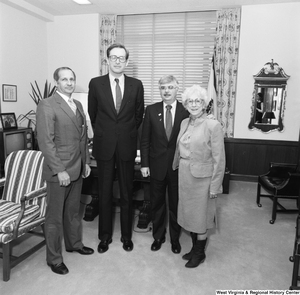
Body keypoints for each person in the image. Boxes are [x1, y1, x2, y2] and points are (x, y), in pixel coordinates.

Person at [36, 67, 94, 276]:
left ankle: (74, 244)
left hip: (77, 168)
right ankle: (54, 259)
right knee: (54, 218)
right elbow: (46, 142)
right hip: (59, 171)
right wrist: (59, 170)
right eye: (64, 79)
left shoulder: (77, 104)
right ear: (56, 82)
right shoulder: (47, 104)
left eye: (72, 79)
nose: (69, 83)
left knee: (72, 213)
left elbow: (83, 137)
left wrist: (86, 161)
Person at [88, 43, 144, 253]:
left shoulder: (136, 85)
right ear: (107, 60)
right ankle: (104, 237)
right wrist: (106, 132)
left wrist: (125, 133)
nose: (118, 61)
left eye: (122, 58)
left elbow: (139, 116)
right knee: (104, 193)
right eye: (114, 57)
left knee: (127, 192)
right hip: (104, 146)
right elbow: (93, 114)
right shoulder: (96, 84)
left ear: (127, 61)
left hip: (127, 146)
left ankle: (126, 237)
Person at [172, 85, 225, 268]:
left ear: (204, 104)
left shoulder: (213, 125)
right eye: (190, 101)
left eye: (198, 101)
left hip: (203, 179)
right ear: (185, 104)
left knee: (201, 217)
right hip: (185, 175)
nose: (194, 104)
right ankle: (195, 248)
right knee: (189, 215)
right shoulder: (184, 123)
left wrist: (215, 186)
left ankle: (199, 253)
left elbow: (220, 159)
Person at [140, 75, 189, 254]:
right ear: (159, 90)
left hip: (178, 167)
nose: (166, 91)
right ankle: (158, 236)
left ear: (177, 89)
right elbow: (145, 140)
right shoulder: (151, 110)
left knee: (176, 204)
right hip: (156, 166)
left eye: (170, 87)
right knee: (157, 204)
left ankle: (175, 239)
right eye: (163, 88)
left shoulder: (186, 111)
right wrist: (144, 164)